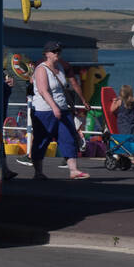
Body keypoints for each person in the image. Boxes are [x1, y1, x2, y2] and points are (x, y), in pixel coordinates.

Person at [30, 41, 88, 180]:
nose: (57, 53)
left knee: (68, 137)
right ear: (47, 54)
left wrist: (72, 106)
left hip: (63, 109)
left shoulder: (60, 67)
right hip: (45, 110)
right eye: (54, 51)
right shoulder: (41, 69)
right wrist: (54, 107)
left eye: (59, 51)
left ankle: (73, 170)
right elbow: (43, 91)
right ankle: (38, 172)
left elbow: (64, 89)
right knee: (42, 140)